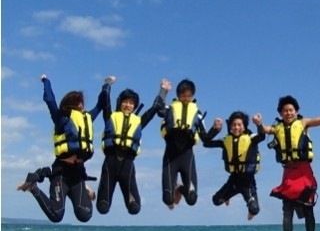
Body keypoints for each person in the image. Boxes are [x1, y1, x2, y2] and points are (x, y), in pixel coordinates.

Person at [17, 74, 106, 222]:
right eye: (78, 103)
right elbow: (50, 100)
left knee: (85, 215)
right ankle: (33, 187)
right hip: (61, 174)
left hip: (78, 174)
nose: (81, 106)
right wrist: (46, 81)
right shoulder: (61, 118)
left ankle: (84, 187)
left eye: (82, 103)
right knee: (56, 216)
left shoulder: (87, 118)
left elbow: (100, 106)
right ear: (70, 104)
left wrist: (106, 86)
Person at [263, 91, 320, 231]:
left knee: (308, 210)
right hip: (288, 173)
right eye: (285, 110)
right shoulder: (277, 128)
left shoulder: (304, 123)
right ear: (280, 113)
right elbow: (263, 130)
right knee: (287, 214)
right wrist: (257, 123)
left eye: (291, 110)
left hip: (304, 173)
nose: (288, 113)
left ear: (296, 110)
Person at [97, 78, 170, 215]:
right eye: (125, 102)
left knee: (135, 208)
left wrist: (163, 91)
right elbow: (106, 101)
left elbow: (154, 108)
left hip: (128, 165)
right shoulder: (110, 117)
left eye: (131, 103)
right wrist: (107, 84)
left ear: (134, 106)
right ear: (120, 103)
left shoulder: (138, 122)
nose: (128, 105)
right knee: (103, 208)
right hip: (110, 163)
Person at [203, 111, 268, 220]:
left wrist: (259, 124)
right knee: (216, 201)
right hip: (233, 179)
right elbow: (206, 143)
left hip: (248, 182)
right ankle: (228, 196)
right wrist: (215, 129)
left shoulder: (251, 139)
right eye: (234, 125)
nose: (236, 127)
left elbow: (262, 136)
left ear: (244, 126)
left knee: (254, 210)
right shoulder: (225, 141)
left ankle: (248, 206)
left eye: (239, 125)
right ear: (230, 126)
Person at [159, 78, 210, 209]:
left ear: (192, 96)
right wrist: (163, 91)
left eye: (188, 95)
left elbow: (205, 138)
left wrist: (216, 128)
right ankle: (174, 188)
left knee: (192, 200)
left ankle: (180, 189)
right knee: (167, 199)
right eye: (183, 95)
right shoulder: (170, 109)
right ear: (178, 95)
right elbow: (158, 109)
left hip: (187, 155)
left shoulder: (197, 114)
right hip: (171, 156)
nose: (185, 98)